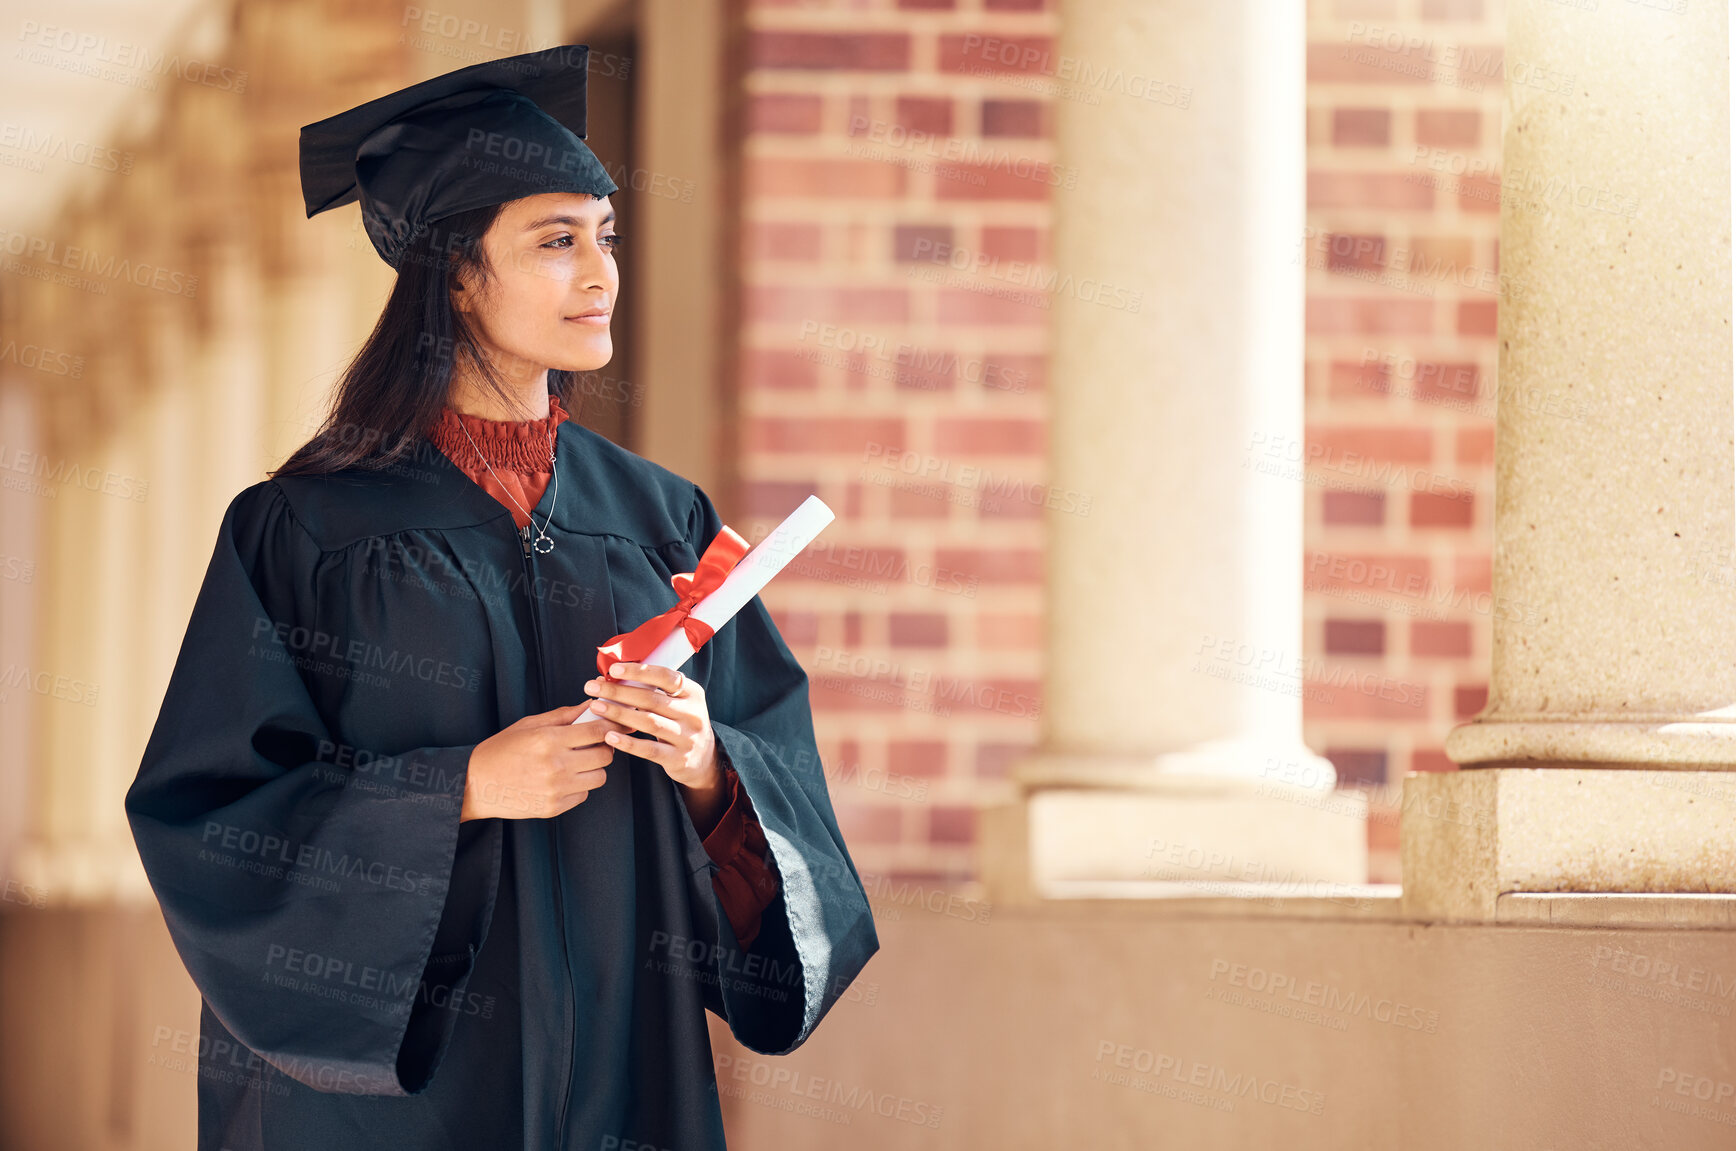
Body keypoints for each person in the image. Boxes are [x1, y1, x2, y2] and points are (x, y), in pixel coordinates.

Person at [123, 44, 877, 1151]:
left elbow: (782, 795)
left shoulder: (658, 516)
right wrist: (457, 789)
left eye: (605, 237)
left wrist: (708, 766)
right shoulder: (304, 530)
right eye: (556, 242)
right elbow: (212, 816)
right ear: (455, 274)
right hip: (396, 1104)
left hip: (623, 1065)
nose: (601, 274)